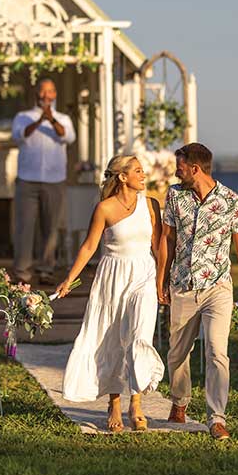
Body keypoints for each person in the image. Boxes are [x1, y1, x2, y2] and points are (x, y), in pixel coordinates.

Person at [56, 155, 165, 432]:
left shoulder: (151, 205)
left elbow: (158, 246)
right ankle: (114, 402)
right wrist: (69, 279)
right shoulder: (105, 208)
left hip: (144, 274)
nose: (144, 175)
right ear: (123, 177)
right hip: (113, 276)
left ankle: (136, 402)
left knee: (140, 335)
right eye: (138, 171)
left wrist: (163, 281)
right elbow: (89, 246)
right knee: (113, 338)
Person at [158, 143, 238, 441]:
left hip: (218, 288)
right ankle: (180, 400)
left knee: (217, 352)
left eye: (180, 166)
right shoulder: (175, 196)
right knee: (177, 352)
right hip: (183, 286)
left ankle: (216, 417)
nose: (176, 171)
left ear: (194, 169)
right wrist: (161, 280)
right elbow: (167, 241)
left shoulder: (234, 203)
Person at [11, 78, 76, 285]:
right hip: (27, 180)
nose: (46, 95)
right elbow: (19, 136)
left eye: (50, 91)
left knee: (51, 228)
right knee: (25, 227)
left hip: (54, 180)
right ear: (36, 94)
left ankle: (46, 269)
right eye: (43, 91)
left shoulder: (63, 119)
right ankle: (22, 272)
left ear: (55, 94)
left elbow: (68, 137)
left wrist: (52, 120)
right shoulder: (23, 117)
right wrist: (40, 120)